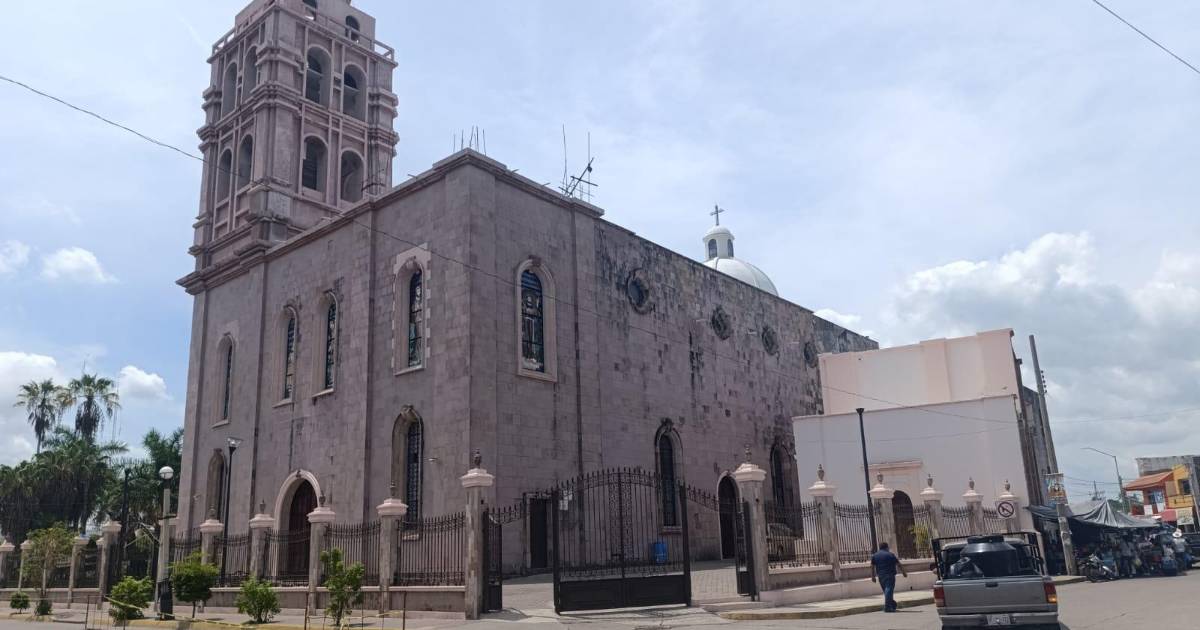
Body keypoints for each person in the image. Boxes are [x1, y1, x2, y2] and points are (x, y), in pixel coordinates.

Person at [870, 542, 908, 613]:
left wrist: (873, 576)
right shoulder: (890, 554)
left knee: (887, 591)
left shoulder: (875, 555)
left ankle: (892, 604)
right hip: (890, 575)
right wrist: (904, 573)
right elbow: (898, 564)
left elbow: (872, 566)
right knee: (888, 590)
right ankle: (887, 607)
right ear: (886, 547)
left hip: (880, 576)